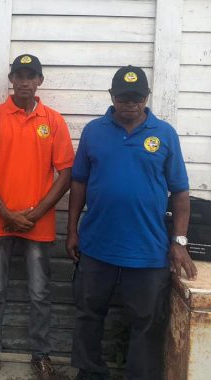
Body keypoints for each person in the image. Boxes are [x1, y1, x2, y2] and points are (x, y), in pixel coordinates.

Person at [67, 65, 198, 380]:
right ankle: (90, 373)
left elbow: (180, 193)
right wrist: (71, 231)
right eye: (124, 98)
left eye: (137, 98)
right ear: (112, 97)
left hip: (148, 250)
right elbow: (79, 184)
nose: (130, 104)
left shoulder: (164, 134)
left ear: (147, 98)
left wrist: (179, 242)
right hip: (97, 246)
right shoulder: (93, 132)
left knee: (147, 322)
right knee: (88, 315)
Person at [0, 54, 75, 380]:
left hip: (39, 223)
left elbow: (65, 173)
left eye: (31, 76)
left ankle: (41, 356)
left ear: (40, 80)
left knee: (40, 292)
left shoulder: (52, 121)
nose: (25, 81)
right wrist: (6, 212)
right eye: (19, 75)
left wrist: (35, 213)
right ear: (11, 78)